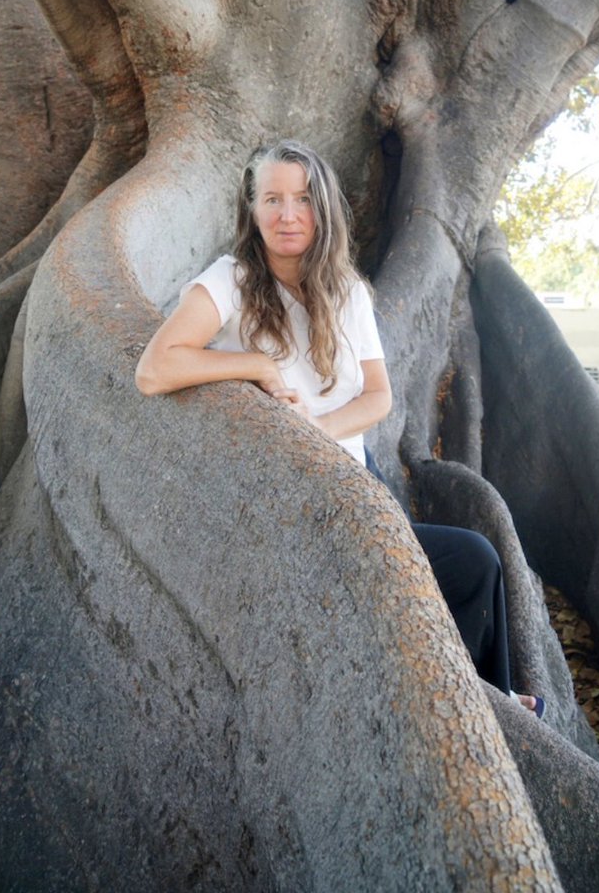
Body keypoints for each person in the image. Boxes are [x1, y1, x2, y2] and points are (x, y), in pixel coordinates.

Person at [137, 140, 543, 715]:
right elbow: (156, 369)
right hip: (290, 498)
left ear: (322, 207)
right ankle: (484, 703)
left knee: (466, 568)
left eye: (302, 199)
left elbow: (378, 395)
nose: (287, 214)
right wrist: (255, 364)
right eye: (272, 199)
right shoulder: (229, 280)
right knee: (469, 561)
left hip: (357, 475)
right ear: (251, 209)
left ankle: (483, 700)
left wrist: (319, 432)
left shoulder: (346, 291)